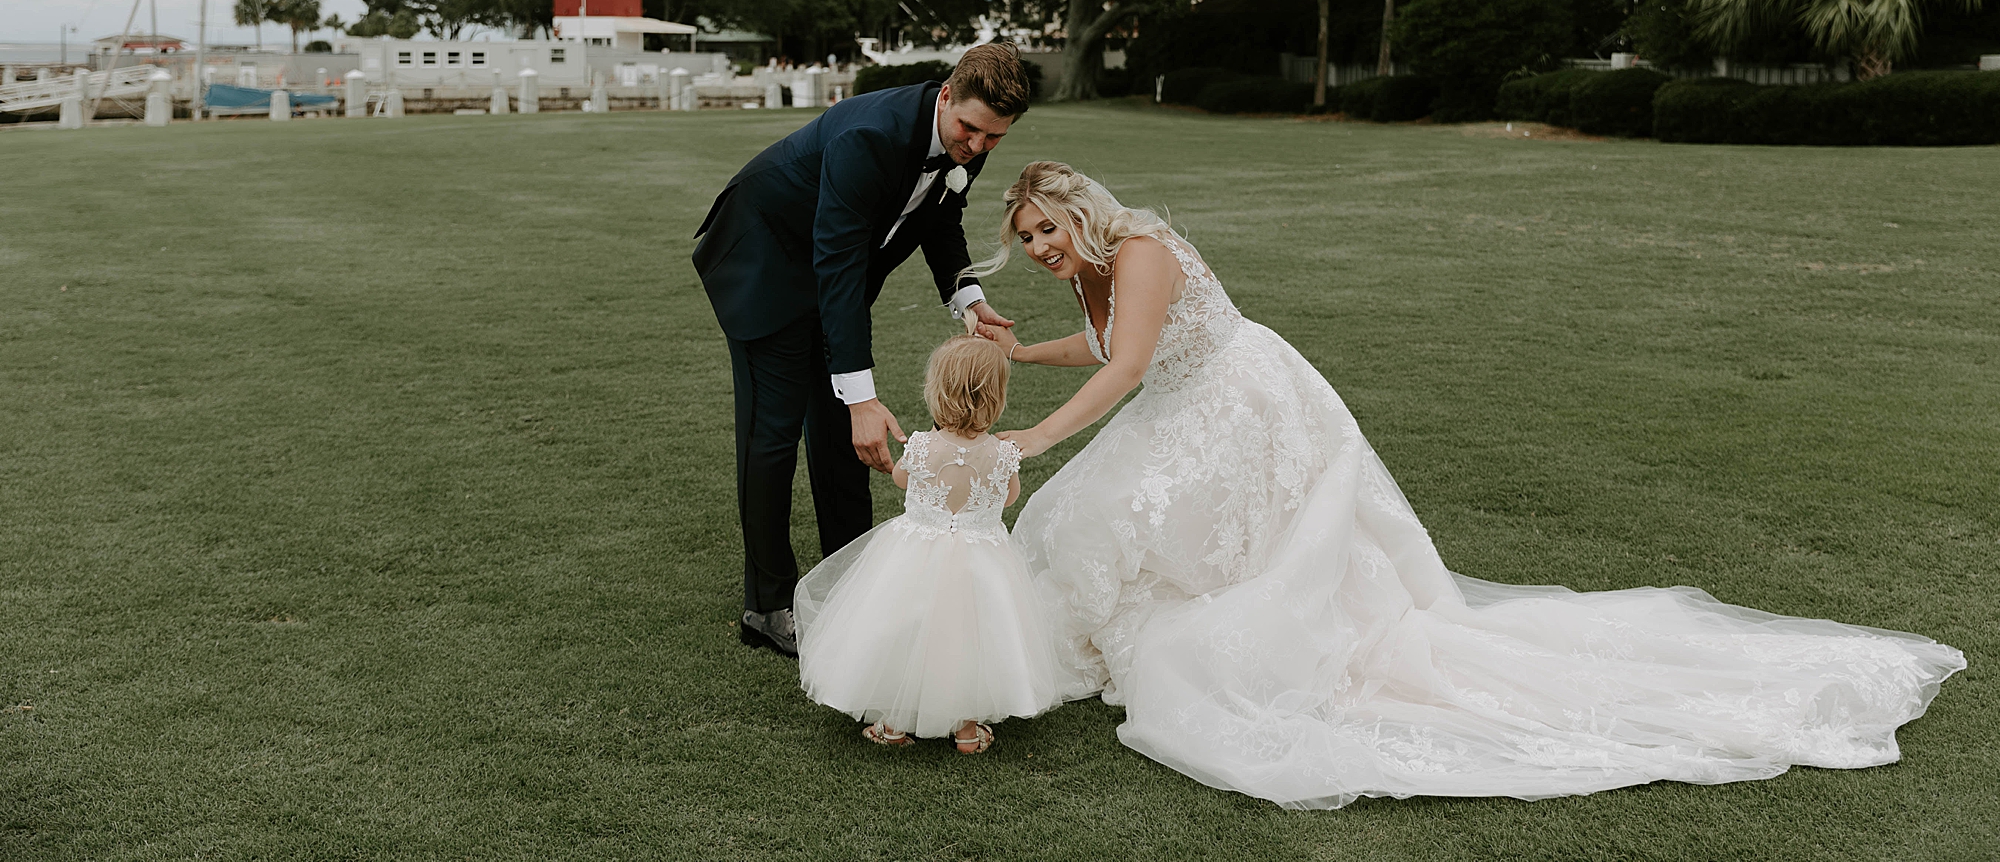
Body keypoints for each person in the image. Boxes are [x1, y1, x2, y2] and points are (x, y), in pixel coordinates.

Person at [974, 161, 1965, 809]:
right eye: (1023, 238)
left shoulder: (1138, 250)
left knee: (1147, 516)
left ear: (1080, 211)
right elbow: (1101, 346)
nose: (1037, 247)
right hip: (1183, 395)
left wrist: (1031, 438)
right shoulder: (1087, 272)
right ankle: (1104, 636)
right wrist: (1022, 357)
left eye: (1044, 229)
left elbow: (1126, 364)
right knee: (1090, 515)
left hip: (1245, 398)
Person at [691, 45, 1031, 657]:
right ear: (946, 95)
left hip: (829, 270)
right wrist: (862, 396)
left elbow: (940, 219)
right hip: (764, 263)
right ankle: (767, 605)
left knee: (841, 434)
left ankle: (846, 583)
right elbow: (839, 260)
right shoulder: (869, 136)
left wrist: (969, 300)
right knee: (774, 428)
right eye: (971, 130)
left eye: (994, 138)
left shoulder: (962, 143)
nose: (978, 147)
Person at [794, 333, 1061, 752]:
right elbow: (1009, 496)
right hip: (982, 560)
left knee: (902, 628)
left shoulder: (920, 447)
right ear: (997, 396)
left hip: (914, 556)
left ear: (937, 392)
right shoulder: (1004, 453)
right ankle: (968, 730)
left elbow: (902, 479)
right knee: (974, 636)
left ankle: (893, 724)